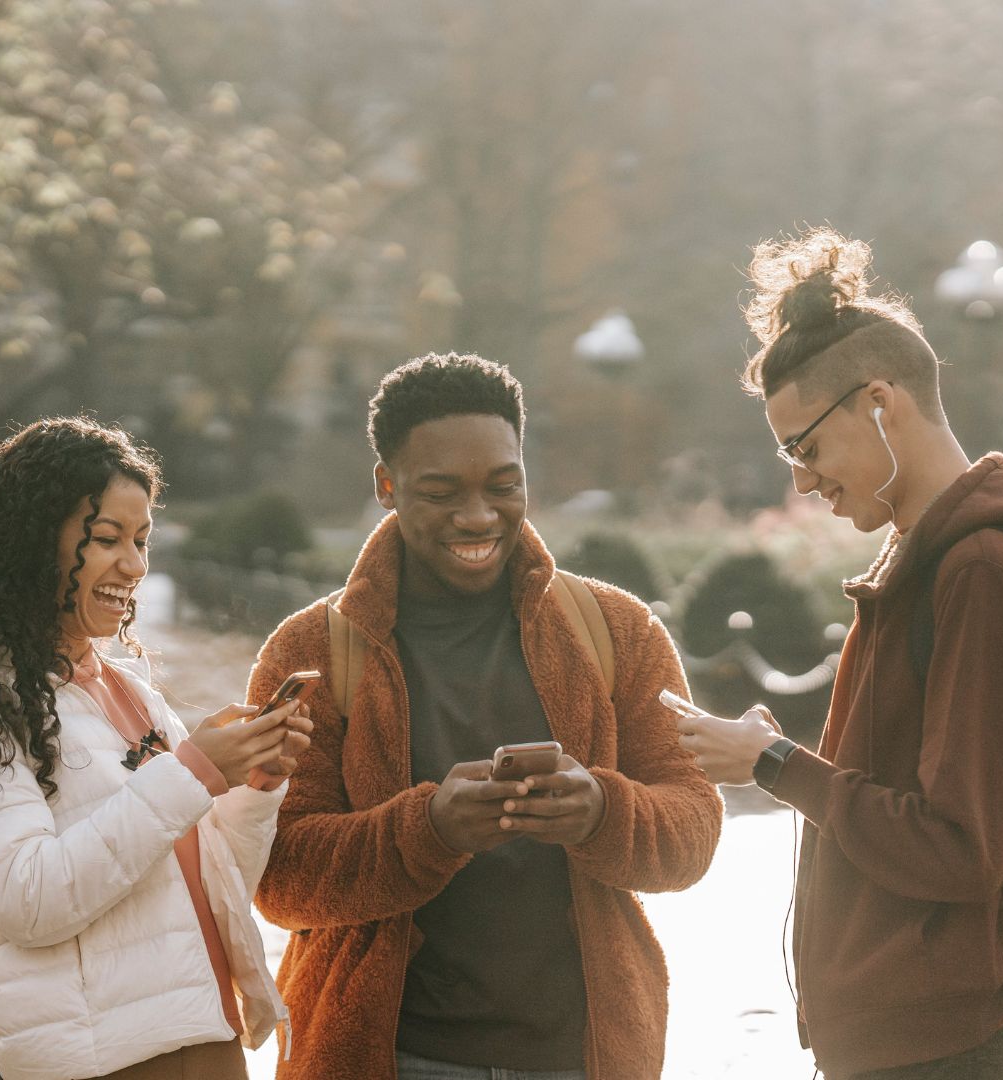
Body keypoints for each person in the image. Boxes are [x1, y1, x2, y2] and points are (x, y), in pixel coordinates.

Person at [673, 229, 1003, 1079]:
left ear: (879, 402)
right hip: (907, 1037)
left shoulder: (980, 570)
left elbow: (962, 848)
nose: (801, 480)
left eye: (805, 447)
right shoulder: (928, 557)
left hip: (941, 1046)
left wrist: (776, 765)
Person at [250, 354, 724, 1080]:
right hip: (389, 1056)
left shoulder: (616, 630)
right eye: (441, 492)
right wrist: (427, 830)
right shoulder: (311, 651)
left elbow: (693, 827)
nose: (478, 516)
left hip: (582, 1055)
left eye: (504, 486)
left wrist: (601, 809)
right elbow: (276, 874)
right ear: (386, 486)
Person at [0, 417, 314, 1080]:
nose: (134, 565)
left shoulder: (133, 694)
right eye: (108, 538)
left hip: (204, 1040)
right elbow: (27, 901)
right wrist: (193, 773)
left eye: (142, 540)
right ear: (36, 545)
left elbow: (205, 885)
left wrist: (253, 787)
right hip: (102, 1062)